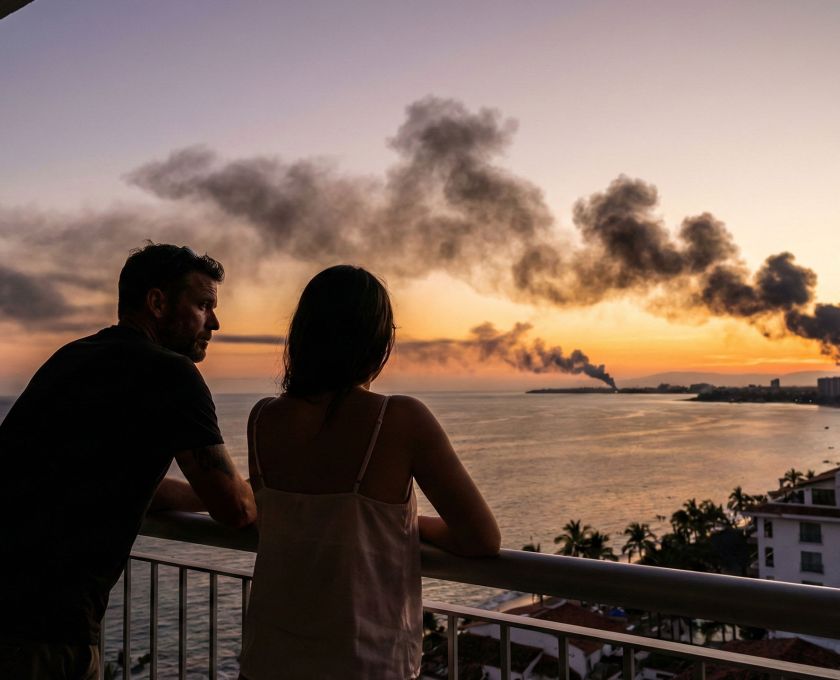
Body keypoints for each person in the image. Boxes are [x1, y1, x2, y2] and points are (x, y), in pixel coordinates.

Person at [0, 243, 256, 680]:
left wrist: (196, 495)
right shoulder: (171, 374)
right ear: (157, 302)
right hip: (46, 631)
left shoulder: (73, 357)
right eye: (203, 305)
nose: (214, 322)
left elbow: (101, 472)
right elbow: (235, 508)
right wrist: (265, 492)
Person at [239, 265, 500, 680]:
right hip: (363, 663)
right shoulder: (400, 418)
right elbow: (481, 538)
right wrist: (408, 526)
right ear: (377, 341)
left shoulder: (262, 419)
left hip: (268, 658)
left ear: (303, 333)